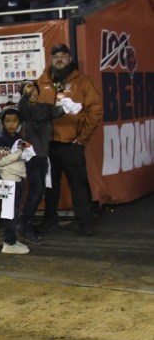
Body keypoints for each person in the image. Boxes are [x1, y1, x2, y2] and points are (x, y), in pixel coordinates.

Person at [35, 43, 103, 236]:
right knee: (50, 185)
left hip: (71, 144)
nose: (59, 59)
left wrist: (82, 138)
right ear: (51, 59)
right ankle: (50, 220)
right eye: (55, 56)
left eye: (63, 56)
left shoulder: (82, 82)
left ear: (70, 58)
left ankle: (84, 222)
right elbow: (33, 109)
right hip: (48, 144)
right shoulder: (42, 82)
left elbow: (95, 111)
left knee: (79, 184)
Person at [17, 80, 66, 245]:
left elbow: (59, 111)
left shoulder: (45, 108)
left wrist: (67, 103)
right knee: (36, 190)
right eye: (27, 91)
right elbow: (20, 108)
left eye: (34, 89)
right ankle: (25, 224)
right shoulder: (23, 109)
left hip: (44, 156)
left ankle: (26, 222)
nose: (32, 93)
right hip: (31, 156)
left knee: (39, 191)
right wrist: (25, 94)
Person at [0, 105, 31, 254]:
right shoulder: (0, 139)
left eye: (15, 121)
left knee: (15, 211)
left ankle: (12, 239)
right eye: (8, 121)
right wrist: (18, 154)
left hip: (18, 179)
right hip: (6, 181)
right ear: (3, 122)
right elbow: (0, 161)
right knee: (9, 212)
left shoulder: (18, 138)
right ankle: (8, 243)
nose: (11, 124)